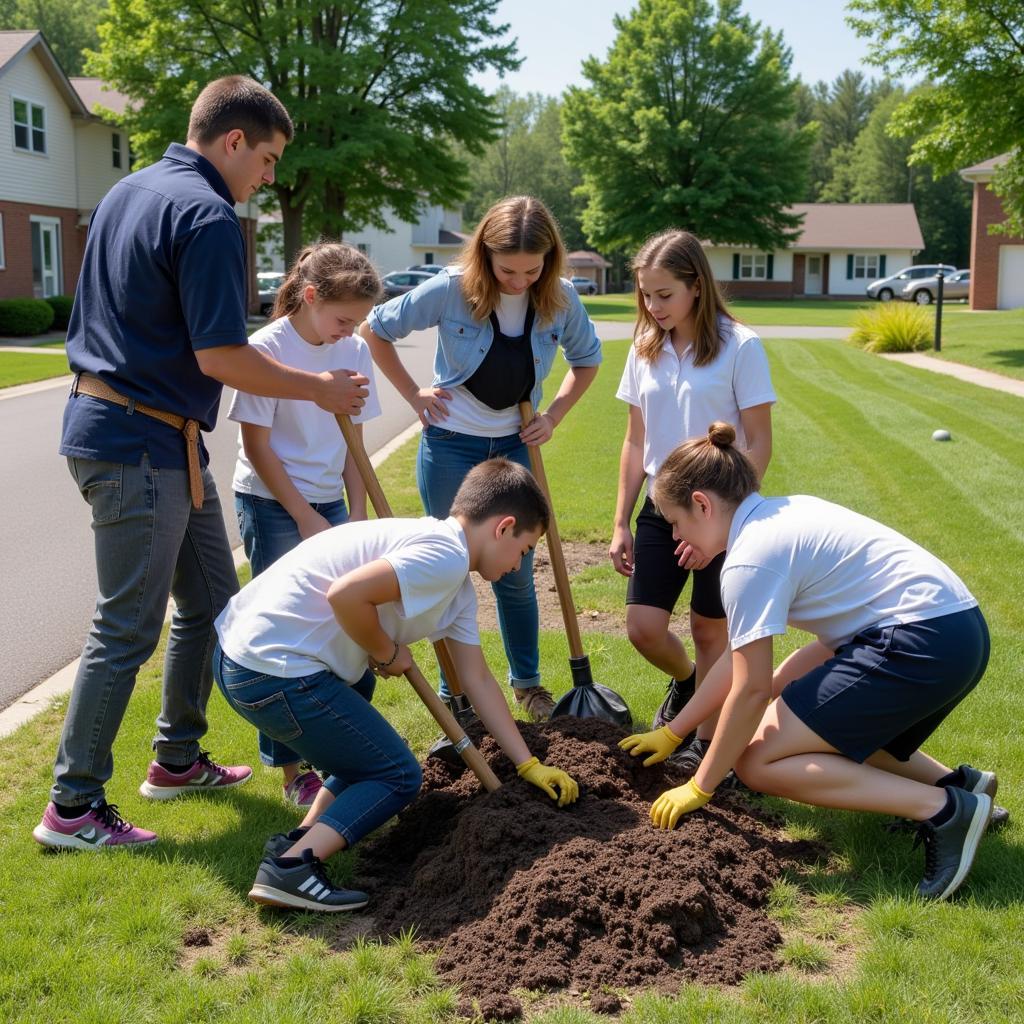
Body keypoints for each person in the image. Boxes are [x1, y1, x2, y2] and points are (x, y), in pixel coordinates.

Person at [33, 76, 369, 852]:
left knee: (220, 608)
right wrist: (316, 387)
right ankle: (73, 807)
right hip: (136, 444)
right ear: (232, 142)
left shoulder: (127, 192)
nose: (270, 177)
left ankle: (177, 757)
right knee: (126, 627)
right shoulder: (209, 215)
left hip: (158, 442)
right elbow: (220, 355)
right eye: (269, 158)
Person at [619, 423, 996, 901]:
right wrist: (674, 732)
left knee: (758, 759)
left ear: (702, 504)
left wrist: (702, 784)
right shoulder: (781, 513)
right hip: (956, 629)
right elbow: (747, 670)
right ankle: (963, 784)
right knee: (800, 701)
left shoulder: (749, 561)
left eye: (675, 521)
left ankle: (944, 809)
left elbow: (750, 690)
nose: (674, 535)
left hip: (919, 642)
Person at [212, 458, 580, 912]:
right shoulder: (444, 555)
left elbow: (477, 678)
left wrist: (527, 765)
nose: (520, 565)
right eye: (525, 550)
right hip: (273, 671)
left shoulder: (455, 582)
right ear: (503, 528)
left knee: (364, 740)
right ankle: (293, 870)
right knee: (398, 774)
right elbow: (345, 595)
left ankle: (299, 841)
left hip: (242, 659)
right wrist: (385, 651)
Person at [359, 196, 602, 722]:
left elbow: (587, 360)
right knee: (448, 571)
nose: (519, 281)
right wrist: (414, 396)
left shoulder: (558, 297)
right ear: (485, 256)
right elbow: (376, 329)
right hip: (452, 446)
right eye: (507, 269)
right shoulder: (451, 288)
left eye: (531, 270)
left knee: (516, 573)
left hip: (516, 446)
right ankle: (457, 695)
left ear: (549, 261)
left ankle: (529, 686)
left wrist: (553, 415)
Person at [609, 230, 774, 772]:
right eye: (645, 295)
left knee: (710, 631)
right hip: (661, 505)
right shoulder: (643, 348)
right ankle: (685, 686)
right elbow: (635, 440)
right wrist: (620, 522)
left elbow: (759, 442)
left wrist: (717, 527)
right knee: (644, 627)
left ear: (696, 287)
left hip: (721, 512)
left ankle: (702, 751)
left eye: (664, 294)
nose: (653, 307)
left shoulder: (740, 346)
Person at [227, 242, 382, 808]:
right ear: (311, 297)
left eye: (358, 322)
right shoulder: (268, 349)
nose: (349, 332)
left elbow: (354, 443)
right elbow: (256, 445)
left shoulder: (356, 350)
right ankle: (292, 769)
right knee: (285, 634)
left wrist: (356, 518)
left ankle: (334, 748)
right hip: (272, 502)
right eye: (343, 319)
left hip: (330, 503)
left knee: (341, 624)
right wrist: (302, 514)